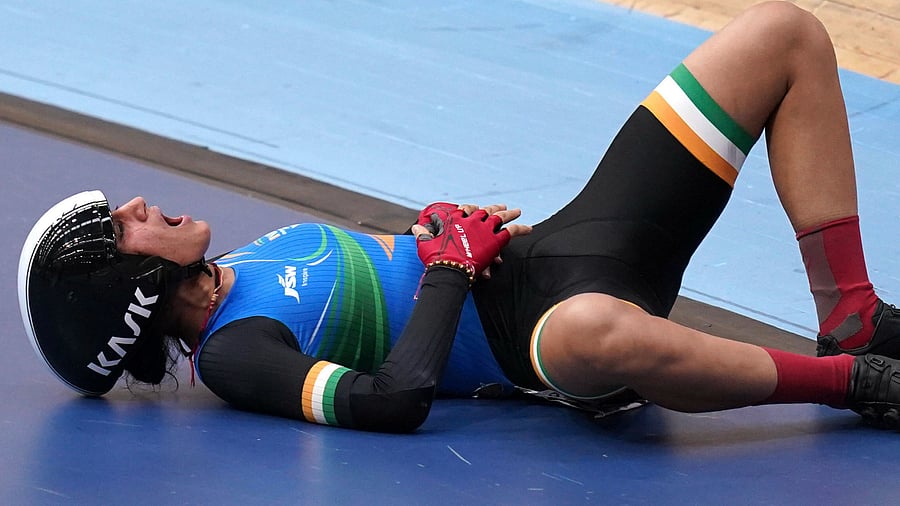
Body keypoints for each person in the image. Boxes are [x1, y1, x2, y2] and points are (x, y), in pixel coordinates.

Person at [17, 1, 900, 433]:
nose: (135, 202)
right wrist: (446, 266)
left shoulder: (253, 259)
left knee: (780, 34)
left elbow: (399, 273)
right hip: (549, 338)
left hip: (567, 246)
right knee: (598, 330)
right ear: (127, 286)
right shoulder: (234, 357)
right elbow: (393, 401)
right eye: (117, 224)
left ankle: (850, 316)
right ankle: (855, 384)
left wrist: (436, 230)